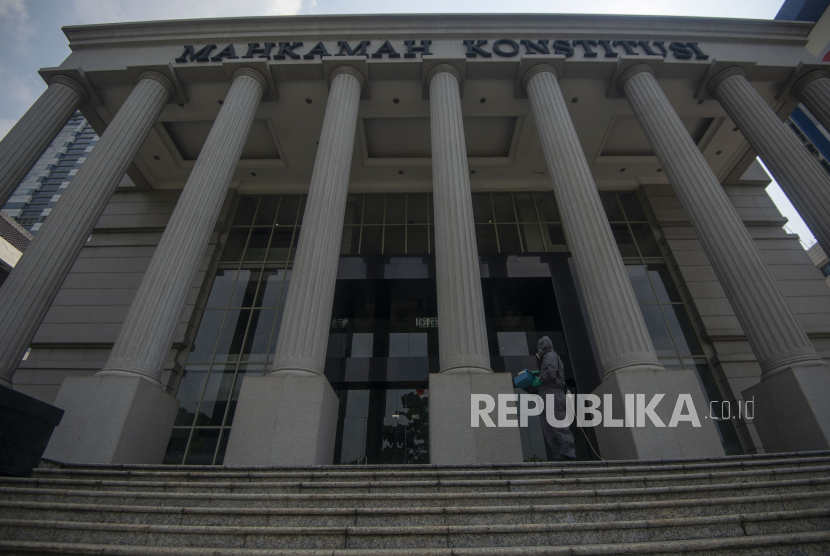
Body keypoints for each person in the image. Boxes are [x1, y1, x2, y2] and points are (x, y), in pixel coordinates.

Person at [535, 336, 576, 460]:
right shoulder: (549, 357)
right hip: (546, 395)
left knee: (559, 425)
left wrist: (540, 379)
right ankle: (559, 456)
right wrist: (539, 374)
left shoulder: (550, 356)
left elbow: (551, 372)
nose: (539, 349)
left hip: (552, 394)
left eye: (540, 346)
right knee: (549, 430)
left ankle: (568, 455)